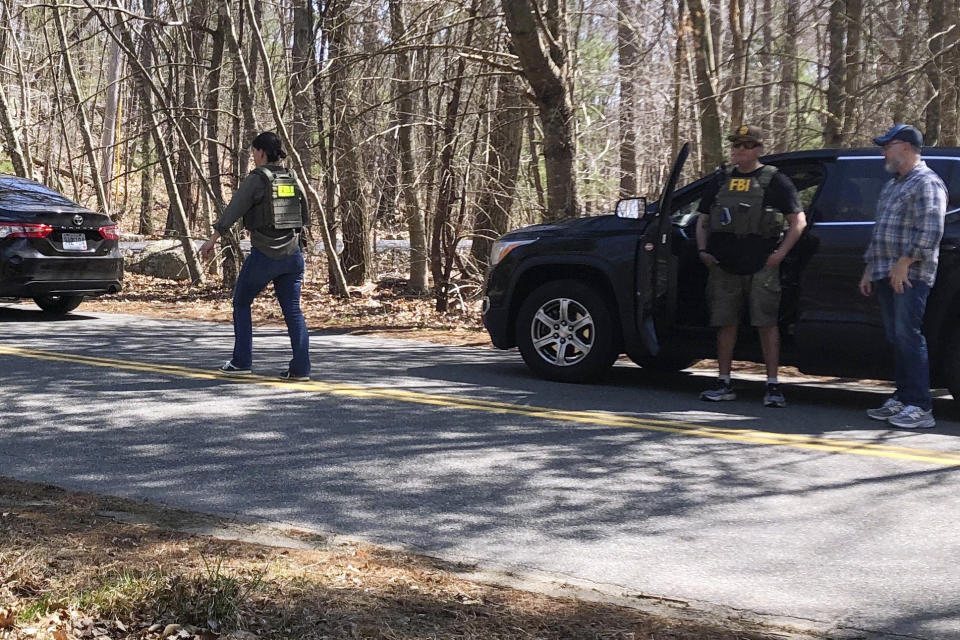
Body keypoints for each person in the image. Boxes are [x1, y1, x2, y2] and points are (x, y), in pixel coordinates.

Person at [695, 125, 807, 407]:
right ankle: (723, 381)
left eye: (745, 145)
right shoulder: (720, 180)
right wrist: (703, 250)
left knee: (767, 324)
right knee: (725, 323)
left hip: (761, 265)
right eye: (736, 145)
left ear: (759, 149)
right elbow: (702, 219)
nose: (739, 150)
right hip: (724, 265)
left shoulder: (774, 181)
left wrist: (779, 255)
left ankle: (772, 386)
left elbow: (798, 221)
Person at [200, 131, 311, 381]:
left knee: (241, 302)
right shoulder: (292, 176)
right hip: (293, 256)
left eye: (254, 153)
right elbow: (305, 214)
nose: (254, 158)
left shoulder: (258, 179)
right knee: (293, 311)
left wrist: (211, 242)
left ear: (261, 152)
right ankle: (301, 369)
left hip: (266, 255)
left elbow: (233, 211)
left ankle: (241, 362)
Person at [859, 124, 946, 429]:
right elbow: (880, 230)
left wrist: (905, 262)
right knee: (897, 337)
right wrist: (871, 268)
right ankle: (902, 397)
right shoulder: (894, 184)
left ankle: (920, 406)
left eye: (888, 145)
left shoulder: (927, 182)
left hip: (911, 274)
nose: (883, 151)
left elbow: (931, 231)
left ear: (906, 147)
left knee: (909, 335)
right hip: (886, 271)